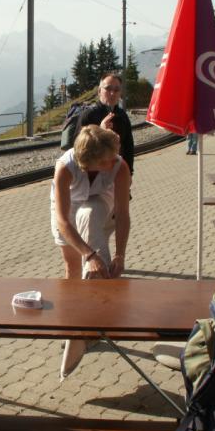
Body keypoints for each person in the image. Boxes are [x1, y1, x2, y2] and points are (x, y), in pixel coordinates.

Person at [50, 124, 131, 379]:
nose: (112, 162)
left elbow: (123, 214)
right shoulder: (65, 167)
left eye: (113, 157)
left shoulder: (119, 166)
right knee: (72, 267)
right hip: (67, 208)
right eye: (106, 161)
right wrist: (89, 255)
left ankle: (92, 316)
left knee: (90, 214)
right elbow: (63, 221)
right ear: (88, 162)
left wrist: (120, 255)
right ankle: (75, 324)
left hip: (101, 203)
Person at [74, 73, 135, 178]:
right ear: (99, 91)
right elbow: (77, 147)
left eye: (116, 90)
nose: (112, 93)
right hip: (93, 175)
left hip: (117, 173)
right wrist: (100, 131)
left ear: (120, 93)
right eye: (108, 88)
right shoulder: (89, 115)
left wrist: (129, 172)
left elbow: (129, 145)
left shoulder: (122, 115)